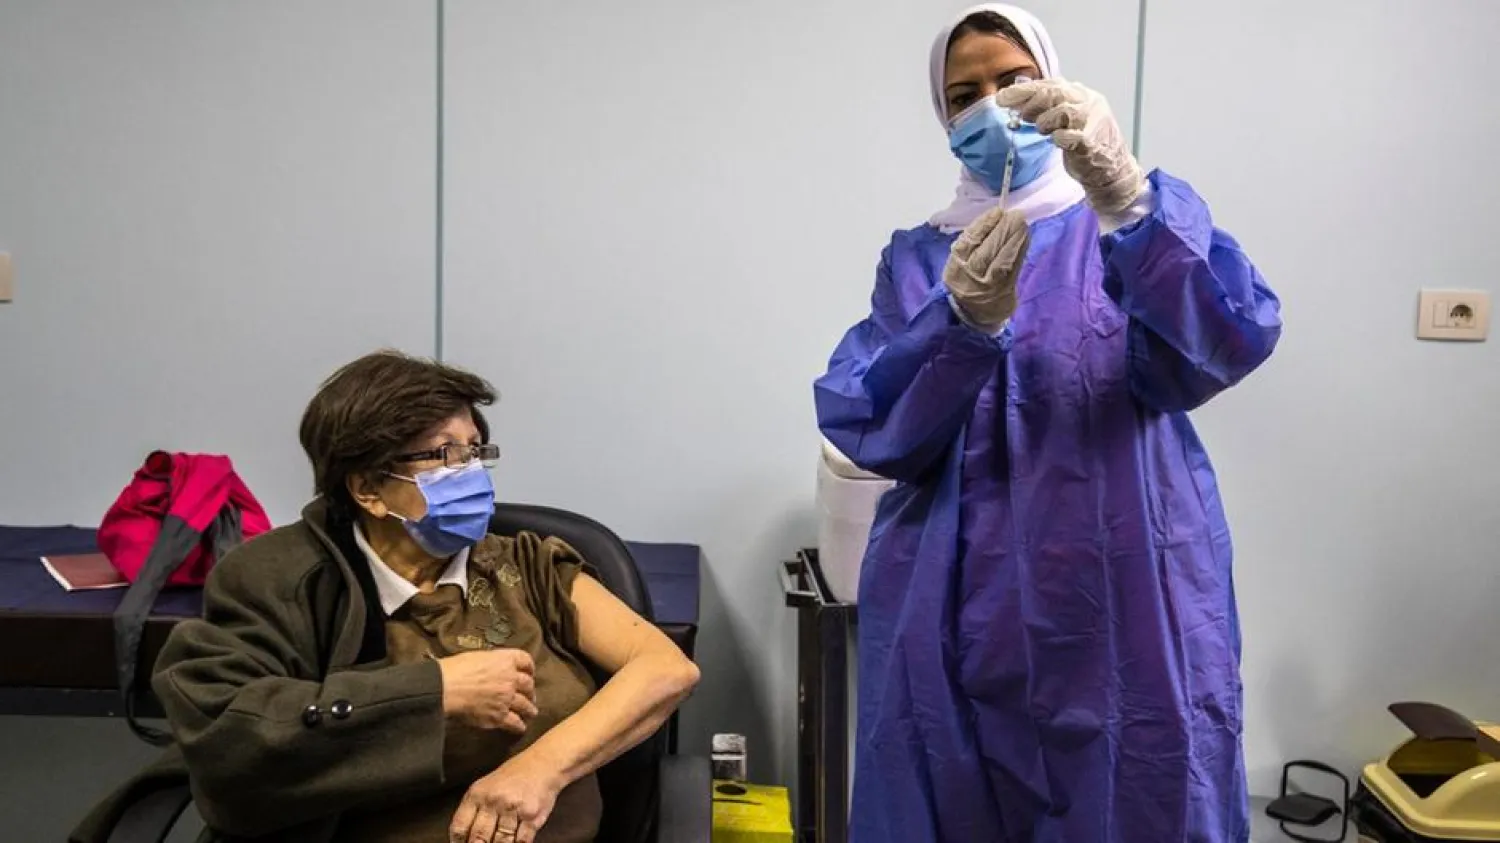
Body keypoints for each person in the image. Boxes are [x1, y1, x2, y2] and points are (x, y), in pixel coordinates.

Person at [813, 5, 1281, 842]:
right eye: (964, 94)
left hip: (1125, 580)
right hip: (951, 592)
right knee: (948, 794)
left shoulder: (1128, 221)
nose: (991, 105)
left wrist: (1131, 206)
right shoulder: (922, 260)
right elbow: (874, 424)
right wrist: (958, 324)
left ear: (1053, 80)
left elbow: (1226, 340)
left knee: (1140, 789)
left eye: (1013, 79)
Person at [73, 350, 700, 843]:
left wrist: (538, 771)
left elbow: (664, 669)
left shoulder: (525, 565)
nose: (471, 473)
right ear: (370, 489)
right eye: (442, 457)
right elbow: (229, 739)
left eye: (475, 451)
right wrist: (436, 694)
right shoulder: (279, 577)